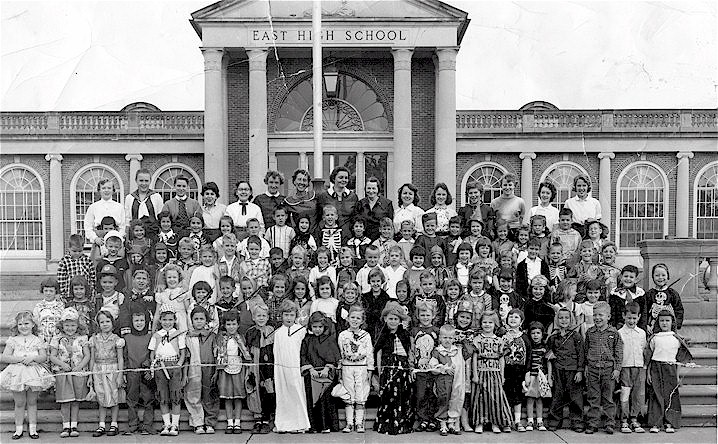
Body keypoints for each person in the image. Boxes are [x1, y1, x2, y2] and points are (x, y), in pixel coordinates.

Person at [0, 311, 54, 440]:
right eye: (20, 324)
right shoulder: (13, 340)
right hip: (17, 373)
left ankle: (33, 429)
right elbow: (4, 357)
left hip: (32, 373)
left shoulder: (37, 340)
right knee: (19, 402)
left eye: (26, 323)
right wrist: (19, 359)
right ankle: (18, 429)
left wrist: (33, 358)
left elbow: (43, 357)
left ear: (33, 324)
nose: (23, 326)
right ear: (16, 325)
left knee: (32, 401)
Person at [645, 310, 694, 433]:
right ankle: (656, 423)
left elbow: (679, 360)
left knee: (670, 396)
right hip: (656, 368)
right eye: (661, 321)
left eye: (667, 320)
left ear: (672, 322)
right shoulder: (654, 338)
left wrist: (677, 376)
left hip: (671, 369)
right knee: (656, 395)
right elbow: (649, 358)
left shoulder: (676, 339)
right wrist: (648, 373)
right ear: (658, 322)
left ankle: (670, 422)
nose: (664, 323)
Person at [373, 301, 414, 435]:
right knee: (388, 396)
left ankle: (401, 423)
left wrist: (410, 368)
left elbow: (409, 352)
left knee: (402, 396)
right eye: (390, 318)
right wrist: (379, 371)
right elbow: (378, 353)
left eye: (396, 319)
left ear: (400, 320)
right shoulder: (382, 335)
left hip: (402, 369)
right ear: (385, 319)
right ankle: (387, 424)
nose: (393, 321)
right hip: (387, 369)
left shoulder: (405, 335)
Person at [470, 310, 513, 434]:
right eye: (484, 322)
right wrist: (475, 374)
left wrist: (502, 375)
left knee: (496, 398)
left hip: (495, 373)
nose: (487, 325)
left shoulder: (500, 341)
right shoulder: (477, 339)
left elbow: (501, 359)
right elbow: (474, 358)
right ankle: (479, 423)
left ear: (495, 324)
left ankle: (496, 422)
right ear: (480, 323)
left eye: (490, 322)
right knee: (480, 397)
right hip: (481, 371)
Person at [584, 301, 622, 435]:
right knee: (593, 397)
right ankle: (592, 423)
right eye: (595, 315)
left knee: (608, 398)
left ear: (608, 317)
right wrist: (586, 366)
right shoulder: (590, 333)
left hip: (608, 370)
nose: (597, 318)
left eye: (601, 315)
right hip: (593, 368)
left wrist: (617, 369)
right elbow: (586, 350)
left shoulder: (614, 333)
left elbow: (618, 352)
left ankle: (609, 423)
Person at [300, 311, 341, 433]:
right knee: (312, 399)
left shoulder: (330, 340)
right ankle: (314, 426)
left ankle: (326, 426)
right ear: (310, 327)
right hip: (312, 374)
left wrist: (327, 368)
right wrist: (311, 369)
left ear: (325, 327)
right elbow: (303, 356)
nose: (317, 329)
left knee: (325, 400)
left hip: (326, 375)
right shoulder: (307, 340)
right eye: (315, 327)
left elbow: (334, 357)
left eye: (320, 327)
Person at [273, 300, 310, 433]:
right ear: (281, 316)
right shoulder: (278, 333)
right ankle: (283, 424)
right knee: (283, 394)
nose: (289, 318)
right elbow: (276, 353)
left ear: (296, 316)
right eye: (286, 315)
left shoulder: (301, 330)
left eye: (291, 315)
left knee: (297, 392)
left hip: (296, 367)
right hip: (282, 369)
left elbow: (303, 350)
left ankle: (299, 424)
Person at [546, 307, 585, 432]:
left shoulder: (576, 336)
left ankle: (577, 421)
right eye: (561, 318)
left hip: (573, 370)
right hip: (558, 369)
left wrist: (580, 371)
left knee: (575, 396)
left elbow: (581, 354)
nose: (564, 320)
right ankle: (554, 420)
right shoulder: (553, 337)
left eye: (566, 318)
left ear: (571, 319)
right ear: (557, 319)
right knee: (558, 395)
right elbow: (549, 354)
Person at [149, 304, 185, 436]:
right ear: (160, 320)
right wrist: (155, 364)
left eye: (170, 320)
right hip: (160, 366)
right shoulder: (156, 335)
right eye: (164, 320)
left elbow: (183, 352)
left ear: (175, 320)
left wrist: (179, 364)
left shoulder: (178, 334)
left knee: (175, 395)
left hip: (174, 366)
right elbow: (152, 353)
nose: (167, 323)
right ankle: (167, 424)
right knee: (163, 396)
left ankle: (175, 425)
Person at [337, 306, 373, 433]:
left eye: (358, 318)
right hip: (347, 367)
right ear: (347, 318)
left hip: (361, 368)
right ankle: (349, 423)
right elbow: (340, 354)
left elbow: (369, 353)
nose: (355, 320)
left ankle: (359, 423)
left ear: (362, 321)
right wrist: (340, 370)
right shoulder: (343, 335)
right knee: (348, 394)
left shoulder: (366, 335)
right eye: (352, 317)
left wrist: (370, 369)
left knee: (360, 394)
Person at [216, 309, 251, 434]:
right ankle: (229, 422)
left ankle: (237, 422)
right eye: (228, 324)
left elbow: (245, 353)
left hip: (238, 367)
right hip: (225, 368)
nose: (231, 327)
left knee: (238, 396)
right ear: (224, 325)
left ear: (238, 324)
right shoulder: (221, 338)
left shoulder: (240, 338)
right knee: (228, 397)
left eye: (234, 324)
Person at [89, 310, 125, 437]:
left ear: (112, 323)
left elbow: (120, 358)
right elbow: (92, 358)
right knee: (101, 396)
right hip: (98, 369)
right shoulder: (94, 339)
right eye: (102, 322)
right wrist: (90, 375)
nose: (105, 324)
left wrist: (120, 375)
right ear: (98, 324)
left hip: (113, 369)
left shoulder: (117, 339)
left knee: (114, 396)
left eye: (107, 321)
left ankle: (114, 424)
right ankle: (102, 424)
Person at [122, 307, 155, 436]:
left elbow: (153, 354)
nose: (139, 323)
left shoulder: (150, 336)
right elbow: (124, 356)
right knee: (131, 399)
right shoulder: (127, 337)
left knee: (148, 399)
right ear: (132, 321)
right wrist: (125, 371)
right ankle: (133, 425)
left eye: (142, 320)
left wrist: (148, 365)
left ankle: (147, 425)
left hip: (146, 372)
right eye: (136, 320)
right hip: (132, 372)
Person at [429, 324, 465, 436]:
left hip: (455, 381)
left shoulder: (456, 351)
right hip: (443, 381)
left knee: (454, 399)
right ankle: (443, 424)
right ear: (440, 338)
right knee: (443, 400)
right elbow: (433, 366)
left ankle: (451, 423)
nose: (447, 340)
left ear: (454, 338)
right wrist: (444, 369)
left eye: (450, 338)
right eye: (445, 337)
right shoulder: (437, 351)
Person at [245, 303, 275, 434]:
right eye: (258, 316)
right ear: (253, 317)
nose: (261, 318)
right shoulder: (250, 332)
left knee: (268, 390)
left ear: (268, 317)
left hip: (268, 367)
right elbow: (246, 350)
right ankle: (257, 419)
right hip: (254, 366)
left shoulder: (272, 331)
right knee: (254, 390)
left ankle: (267, 419)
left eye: (264, 315)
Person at [617, 302, 648, 434]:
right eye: (629, 318)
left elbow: (643, 349)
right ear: (624, 316)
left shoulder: (641, 333)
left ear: (639, 317)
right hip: (625, 366)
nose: (631, 321)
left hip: (639, 367)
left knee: (637, 394)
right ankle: (624, 420)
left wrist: (644, 366)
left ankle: (634, 418)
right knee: (625, 393)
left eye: (634, 318)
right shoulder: (619, 333)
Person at [412, 301, 440, 431]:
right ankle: (423, 419)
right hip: (419, 369)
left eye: (428, 315)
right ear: (418, 316)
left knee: (432, 394)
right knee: (421, 394)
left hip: (433, 369)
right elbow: (411, 349)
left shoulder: (436, 331)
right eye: (422, 315)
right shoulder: (415, 331)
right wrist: (411, 364)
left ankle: (433, 419)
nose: (425, 317)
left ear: (433, 315)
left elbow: (439, 349)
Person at [502, 308, 530, 431]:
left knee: (518, 396)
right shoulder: (502, 336)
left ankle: (517, 421)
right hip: (506, 370)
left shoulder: (524, 337)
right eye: (511, 316)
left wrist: (527, 373)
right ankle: (506, 421)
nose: (513, 319)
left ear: (521, 321)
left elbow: (529, 356)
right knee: (506, 395)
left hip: (519, 371)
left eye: (516, 317)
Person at [523, 321, 551, 432]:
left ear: (542, 334)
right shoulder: (528, 346)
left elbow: (549, 362)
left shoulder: (545, 347)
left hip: (541, 376)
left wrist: (549, 376)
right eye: (533, 333)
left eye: (538, 333)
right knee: (530, 398)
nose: (535, 335)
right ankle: (530, 420)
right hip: (531, 375)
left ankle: (539, 421)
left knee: (539, 398)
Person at [317, 166, 358, 238]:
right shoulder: (323, 196)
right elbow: (319, 217)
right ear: (333, 178)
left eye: (346, 178)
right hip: (328, 236)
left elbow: (355, 217)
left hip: (348, 236)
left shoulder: (353, 197)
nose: (344, 180)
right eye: (341, 177)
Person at [84, 178, 126, 246]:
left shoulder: (119, 207)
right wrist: (95, 238)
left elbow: (123, 227)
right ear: (99, 190)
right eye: (103, 188)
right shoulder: (93, 207)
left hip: (116, 241)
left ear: (113, 190)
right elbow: (88, 226)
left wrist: (119, 238)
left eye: (109, 188)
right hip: (99, 241)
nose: (106, 190)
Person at [125, 168, 164, 239]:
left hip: (152, 233)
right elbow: (128, 219)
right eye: (141, 180)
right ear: (136, 180)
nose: (144, 183)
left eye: (146, 181)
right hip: (135, 235)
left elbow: (160, 217)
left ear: (150, 181)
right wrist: (127, 237)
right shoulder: (129, 198)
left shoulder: (156, 196)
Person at [645, 263, 684, 333]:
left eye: (663, 275)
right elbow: (645, 311)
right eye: (657, 275)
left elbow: (679, 310)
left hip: (669, 328)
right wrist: (646, 325)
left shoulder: (673, 294)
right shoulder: (649, 294)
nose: (660, 277)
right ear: (652, 277)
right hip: (652, 328)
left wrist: (676, 325)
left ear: (668, 276)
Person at [57, 234, 97, 302]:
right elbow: (61, 280)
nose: (77, 253)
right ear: (69, 248)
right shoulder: (64, 261)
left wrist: (93, 292)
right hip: (69, 295)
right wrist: (62, 294)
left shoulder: (87, 260)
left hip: (85, 294)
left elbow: (92, 278)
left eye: (80, 251)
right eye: (74, 251)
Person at [353, 176, 394, 241]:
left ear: (378, 189)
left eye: (373, 188)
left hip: (381, 239)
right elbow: (356, 222)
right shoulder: (360, 204)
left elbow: (391, 224)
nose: (371, 191)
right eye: (368, 188)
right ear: (365, 189)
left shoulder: (387, 204)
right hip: (363, 239)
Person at [609, 265, 646, 330]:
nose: (628, 279)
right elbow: (612, 313)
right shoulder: (615, 293)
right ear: (621, 277)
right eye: (626, 276)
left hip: (636, 326)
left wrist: (643, 328)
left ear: (636, 279)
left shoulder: (640, 293)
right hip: (619, 327)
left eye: (631, 277)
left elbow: (643, 313)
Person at [490, 173, 525, 240]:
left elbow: (521, 218)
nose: (507, 187)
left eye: (510, 185)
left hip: (515, 232)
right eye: (505, 185)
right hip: (500, 232)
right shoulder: (494, 202)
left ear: (514, 186)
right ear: (501, 186)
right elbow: (493, 220)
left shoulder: (520, 202)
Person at [33, 277, 65, 346]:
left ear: (56, 291)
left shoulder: (61, 306)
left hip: (57, 336)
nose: (48, 293)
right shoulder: (39, 306)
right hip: (43, 336)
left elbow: (62, 321)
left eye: (51, 291)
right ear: (42, 291)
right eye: (46, 291)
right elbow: (36, 321)